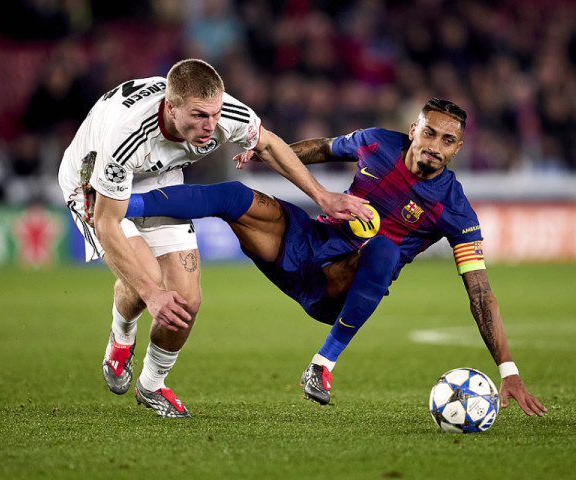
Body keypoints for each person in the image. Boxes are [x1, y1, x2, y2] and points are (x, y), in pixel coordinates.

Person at [120, 98, 547, 417]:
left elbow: (481, 293)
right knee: (234, 196)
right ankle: (120, 204)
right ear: (414, 128)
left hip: (339, 286)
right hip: (306, 244)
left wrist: (507, 369)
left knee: (383, 248)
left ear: (457, 149)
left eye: (447, 141)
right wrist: (271, 152)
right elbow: (324, 148)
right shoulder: (377, 143)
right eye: (430, 133)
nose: (435, 145)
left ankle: (322, 365)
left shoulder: (454, 209)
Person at [58, 58, 370, 419]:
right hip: (94, 184)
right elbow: (107, 223)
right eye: (198, 116)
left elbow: (269, 145)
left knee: (186, 301)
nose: (210, 126)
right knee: (148, 282)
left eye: (215, 114)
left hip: (159, 175)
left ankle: (152, 384)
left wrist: (323, 196)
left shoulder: (227, 116)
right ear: (170, 108)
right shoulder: (126, 138)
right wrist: (152, 293)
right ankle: (122, 335)